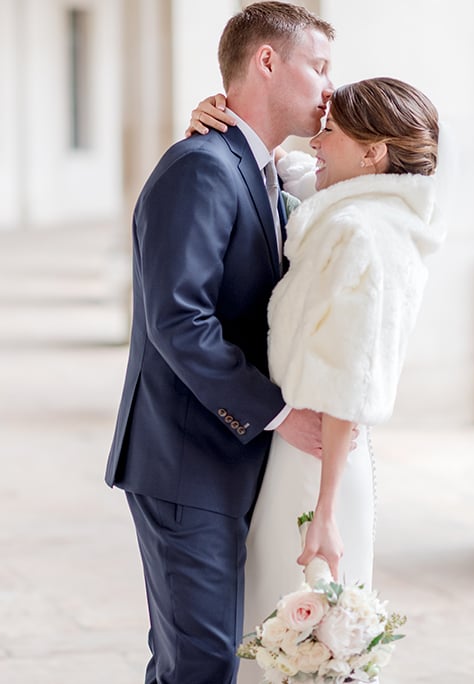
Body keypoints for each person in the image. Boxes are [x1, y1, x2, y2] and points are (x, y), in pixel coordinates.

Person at [104, 3, 337, 683]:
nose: (330, 88)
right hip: (185, 461)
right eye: (319, 67)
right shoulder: (201, 166)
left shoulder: (263, 171)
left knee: (197, 660)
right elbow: (179, 321)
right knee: (202, 665)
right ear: (267, 61)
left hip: (222, 458)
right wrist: (278, 413)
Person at [188, 77, 444, 684]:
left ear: (374, 153)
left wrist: (324, 509)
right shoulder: (365, 212)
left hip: (315, 460)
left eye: (330, 131)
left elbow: (349, 379)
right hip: (306, 450)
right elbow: (284, 173)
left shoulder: (359, 234)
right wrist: (222, 119)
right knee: (288, 638)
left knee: (300, 637)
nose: (316, 140)